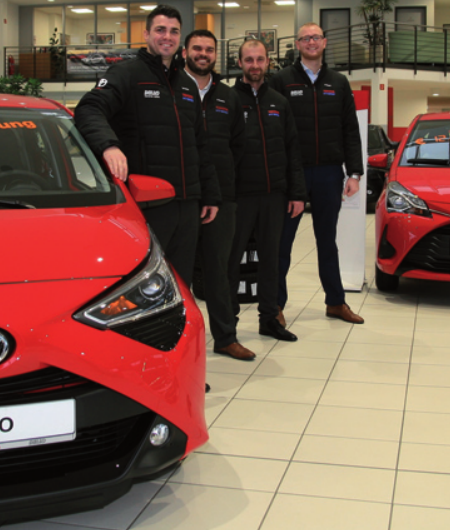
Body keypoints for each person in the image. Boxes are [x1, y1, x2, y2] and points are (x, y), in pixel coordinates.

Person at [74, 5, 220, 286]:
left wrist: (210, 195)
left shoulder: (187, 85)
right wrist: (109, 146)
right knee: (145, 284)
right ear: (147, 34)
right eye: (160, 30)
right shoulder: (126, 74)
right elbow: (89, 108)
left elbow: (200, 144)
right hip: (148, 204)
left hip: (187, 205)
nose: (167, 36)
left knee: (181, 283)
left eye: (174, 31)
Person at [270, 22, 366, 327]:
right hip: (292, 175)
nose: (311, 42)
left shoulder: (338, 82)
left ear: (324, 42)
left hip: (328, 173)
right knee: (282, 243)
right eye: (305, 38)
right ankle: (274, 306)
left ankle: (336, 302)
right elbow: (272, 130)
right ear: (297, 44)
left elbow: (350, 130)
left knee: (327, 242)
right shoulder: (281, 80)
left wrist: (354, 173)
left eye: (316, 37)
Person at [227, 39, 307, 343]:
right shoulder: (229, 100)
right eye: (249, 60)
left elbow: (292, 150)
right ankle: (229, 323)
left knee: (272, 260)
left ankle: (269, 319)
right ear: (240, 63)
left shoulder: (279, 102)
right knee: (232, 261)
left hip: (275, 196)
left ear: (268, 62)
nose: (255, 65)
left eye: (260, 59)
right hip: (240, 197)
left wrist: (297, 193)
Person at [182, 30, 255, 361]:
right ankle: (178, 346)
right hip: (180, 195)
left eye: (209, 50)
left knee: (221, 270)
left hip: (222, 196)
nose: (203, 54)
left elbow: (238, 146)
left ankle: (225, 337)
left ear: (216, 55)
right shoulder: (170, 90)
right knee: (177, 273)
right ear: (186, 52)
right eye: (197, 48)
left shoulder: (229, 97)